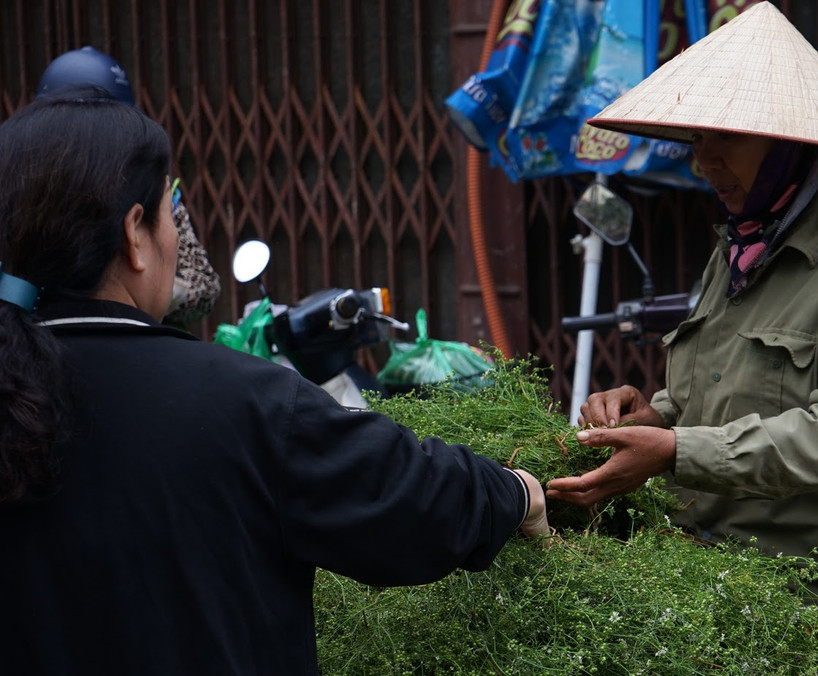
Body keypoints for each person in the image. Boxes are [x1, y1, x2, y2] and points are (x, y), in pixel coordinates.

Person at [0, 90, 548, 674]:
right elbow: (411, 501)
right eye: (169, 212)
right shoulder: (241, 404)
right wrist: (516, 491)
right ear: (134, 234)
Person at [546, 2, 818, 609]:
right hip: (707, 574)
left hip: (816, 599)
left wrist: (675, 451)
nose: (705, 161)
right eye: (698, 138)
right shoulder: (742, 244)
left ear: (786, 144)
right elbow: (710, 396)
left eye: (726, 136)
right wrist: (651, 418)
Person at [37, 45, 221, 325]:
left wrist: (154, 292)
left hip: (145, 345)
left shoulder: (151, 189)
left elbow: (205, 288)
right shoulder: (26, 190)